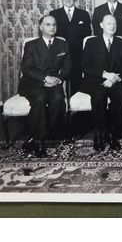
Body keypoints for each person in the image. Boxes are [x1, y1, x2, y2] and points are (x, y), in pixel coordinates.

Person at [18, 15, 72, 157]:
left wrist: (58, 79)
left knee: (59, 100)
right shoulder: (31, 45)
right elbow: (26, 69)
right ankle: (38, 139)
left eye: (54, 24)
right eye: (48, 24)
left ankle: (45, 133)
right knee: (40, 98)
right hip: (32, 82)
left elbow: (68, 66)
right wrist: (44, 78)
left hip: (54, 81)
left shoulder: (63, 44)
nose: (52, 27)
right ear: (41, 27)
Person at [80, 14, 122, 151]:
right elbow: (85, 66)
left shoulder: (121, 43)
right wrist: (104, 75)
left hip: (114, 80)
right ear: (101, 25)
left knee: (121, 93)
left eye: (114, 23)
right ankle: (99, 132)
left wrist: (114, 78)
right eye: (109, 23)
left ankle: (112, 132)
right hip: (94, 80)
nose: (113, 26)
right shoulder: (91, 43)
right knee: (99, 93)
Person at [50, 0, 92, 95]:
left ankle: (75, 110)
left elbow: (87, 37)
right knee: (57, 86)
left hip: (78, 56)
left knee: (77, 85)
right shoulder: (54, 14)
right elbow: (51, 35)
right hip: (59, 57)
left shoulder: (84, 15)